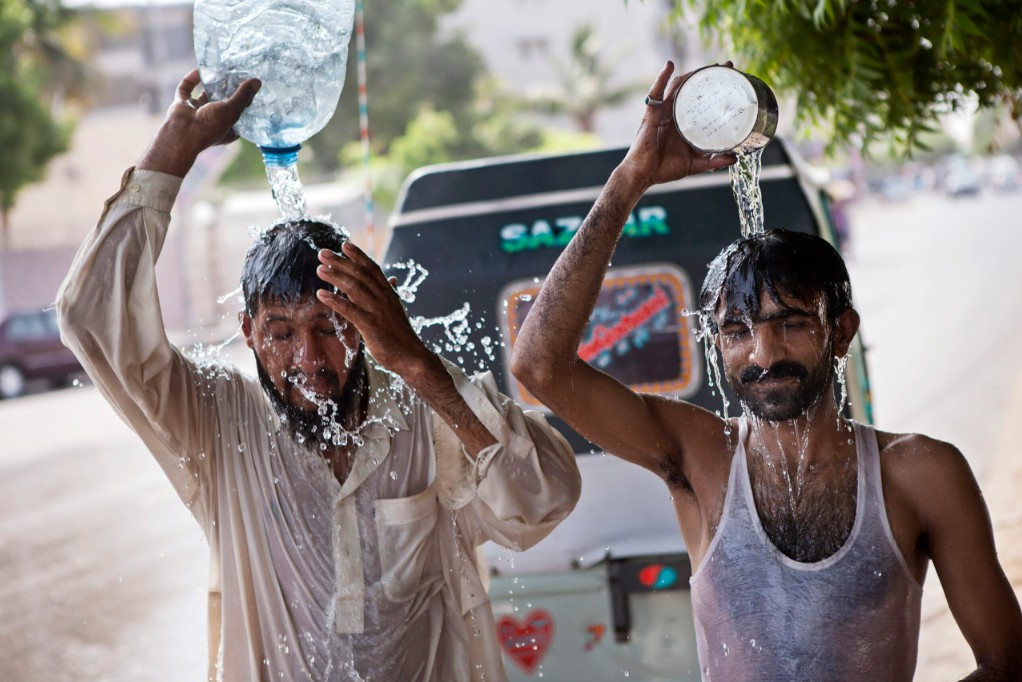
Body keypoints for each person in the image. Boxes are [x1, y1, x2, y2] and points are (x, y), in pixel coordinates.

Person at [56, 70, 581, 682]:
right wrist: (172, 154)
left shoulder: (425, 416)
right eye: (281, 334)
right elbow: (90, 317)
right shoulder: (222, 425)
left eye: (331, 327)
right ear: (248, 332)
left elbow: (545, 500)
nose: (309, 359)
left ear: (368, 321)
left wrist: (415, 363)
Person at [511, 61, 1022, 680]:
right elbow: (539, 367)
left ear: (842, 332)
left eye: (792, 323)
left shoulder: (919, 473)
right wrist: (630, 179)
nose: (763, 353)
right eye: (736, 331)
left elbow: (1005, 661)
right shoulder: (698, 457)